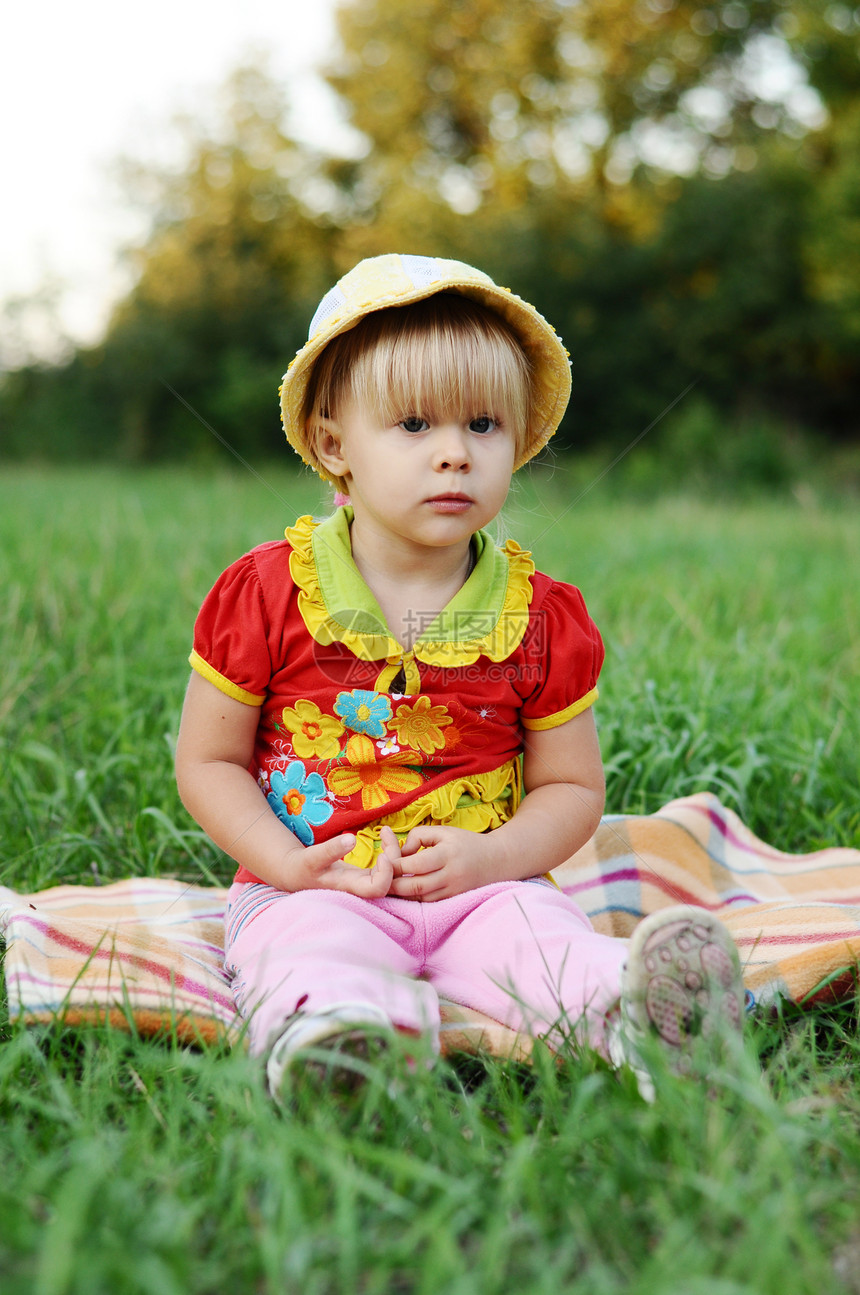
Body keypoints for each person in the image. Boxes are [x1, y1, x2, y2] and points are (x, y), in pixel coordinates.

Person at [174, 253, 744, 1096]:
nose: (454, 454)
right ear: (336, 446)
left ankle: (643, 1012)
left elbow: (573, 787)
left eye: (483, 425)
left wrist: (496, 857)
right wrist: (284, 863)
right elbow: (208, 761)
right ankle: (339, 1044)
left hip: (486, 887)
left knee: (542, 948)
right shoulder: (265, 592)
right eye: (413, 426)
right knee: (309, 955)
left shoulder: (539, 616)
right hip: (315, 882)